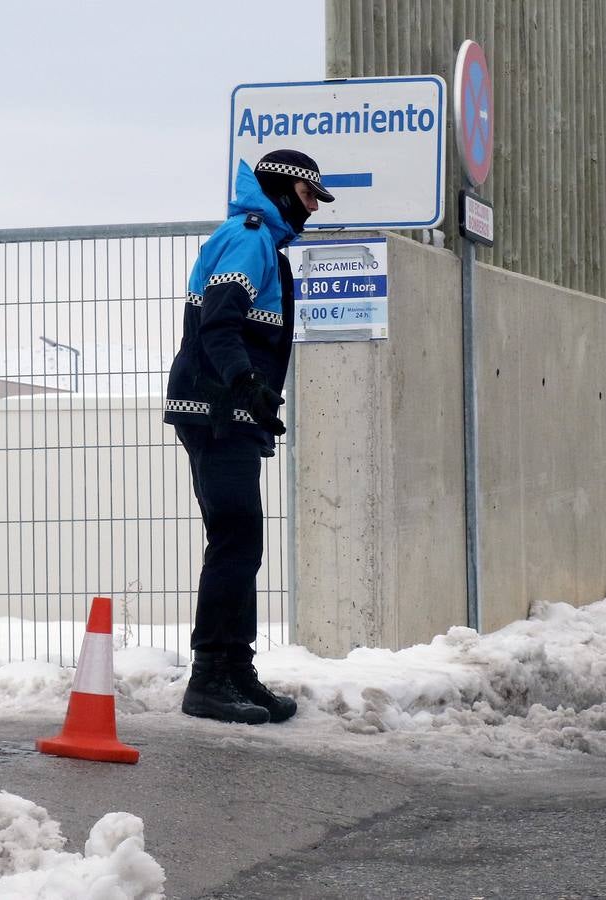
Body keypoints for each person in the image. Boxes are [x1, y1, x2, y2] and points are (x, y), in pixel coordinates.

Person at [164, 149, 334, 724]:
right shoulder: (250, 236)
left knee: (240, 544)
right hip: (214, 410)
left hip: (227, 412)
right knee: (235, 543)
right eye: (311, 197)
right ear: (287, 190)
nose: (313, 211)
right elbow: (219, 320)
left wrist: (254, 400)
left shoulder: (263, 242)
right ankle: (209, 678)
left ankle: (236, 670)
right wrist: (245, 386)